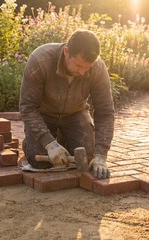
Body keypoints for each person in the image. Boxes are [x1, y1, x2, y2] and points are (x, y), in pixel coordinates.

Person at [19, 29, 114, 179]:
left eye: (87, 68)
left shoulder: (98, 68)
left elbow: (105, 111)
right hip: (44, 115)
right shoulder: (40, 60)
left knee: (87, 159)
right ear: (66, 52)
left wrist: (101, 155)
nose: (82, 72)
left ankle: (64, 138)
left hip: (75, 114)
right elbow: (27, 107)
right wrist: (49, 143)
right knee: (39, 159)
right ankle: (35, 141)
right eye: (78, 65)